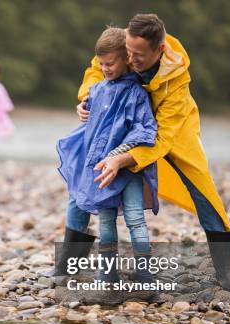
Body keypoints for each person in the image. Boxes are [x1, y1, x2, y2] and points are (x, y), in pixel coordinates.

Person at [75, 14, 230, 293]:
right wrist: (86, 98)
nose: (130, 59)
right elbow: (96, 67)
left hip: (172, 127)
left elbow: (162, 138)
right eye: (128, 52)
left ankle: (225, 270)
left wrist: (124, 158)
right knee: (83, 176)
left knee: (204, 191)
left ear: (159, 50)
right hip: (124, 119)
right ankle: (68, 260)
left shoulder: (177, 80)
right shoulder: (127, 46)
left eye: (138, 55)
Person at [55, 27, 158, 286]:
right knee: (106, 221)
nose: (105, 68)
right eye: (101, 64)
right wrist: (82, 106)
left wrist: (119, 153)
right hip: (100, 169)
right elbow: (89, 111)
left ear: (127, 59)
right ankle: (107, 272)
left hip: (128, 168)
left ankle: (145, 273)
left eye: (110, 64)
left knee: (135, 218)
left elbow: (145, 129)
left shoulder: (136, 93)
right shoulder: (98, 89)